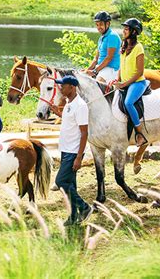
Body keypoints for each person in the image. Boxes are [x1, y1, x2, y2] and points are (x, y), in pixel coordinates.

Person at [49, 75, 93, 226]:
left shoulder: (80, 106)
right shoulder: (69, 103)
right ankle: (73, 217)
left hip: (73, 152)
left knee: (60, 181)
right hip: (66, 149)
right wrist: (57, 112)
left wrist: (79, 157)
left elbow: (84, 132)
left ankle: (85, 207)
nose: (60, 88)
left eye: (63, 85)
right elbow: (70, 121)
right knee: (71, 184)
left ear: (72, 87)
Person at [114, 18, 149, 147]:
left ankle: (139, 134)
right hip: (124, 82)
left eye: (126, 29)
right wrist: (117, 79)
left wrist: (124, 84)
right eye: (124, 28)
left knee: (128, 103)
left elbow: (140, 72)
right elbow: (121, 67)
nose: (123, 31)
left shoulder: (138, 48)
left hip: (137, 83)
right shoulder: (123, 46)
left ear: (134, 32)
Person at [86, 11, 121, 83]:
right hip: (101, 68)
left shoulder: (112, 36)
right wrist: (87, 70)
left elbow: (109, 58)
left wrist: (95, 71)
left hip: (111, 69)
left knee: (97, 85)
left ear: (107, 24)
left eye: (101, 24)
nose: (99, 27)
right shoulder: (101, 38)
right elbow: (96, 59)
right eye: (97, 25)